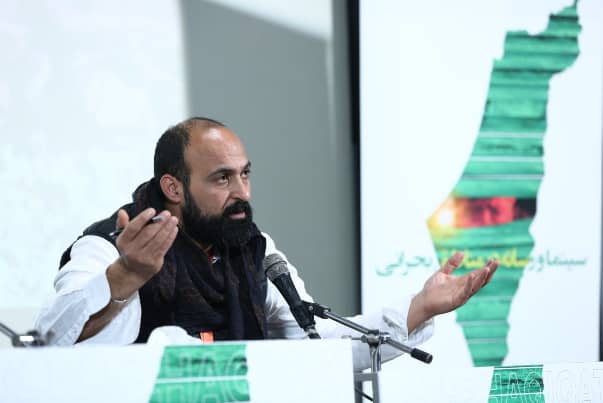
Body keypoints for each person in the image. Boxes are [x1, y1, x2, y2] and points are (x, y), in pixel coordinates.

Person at [35, 117, 498, 369]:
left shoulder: (255, 251)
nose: (242, 192)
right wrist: (125, 277)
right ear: (173, 187)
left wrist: (420, 307)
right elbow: (51, 344)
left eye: (245, 174)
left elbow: (315, 348)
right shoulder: (112, 245)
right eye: (222, 178)